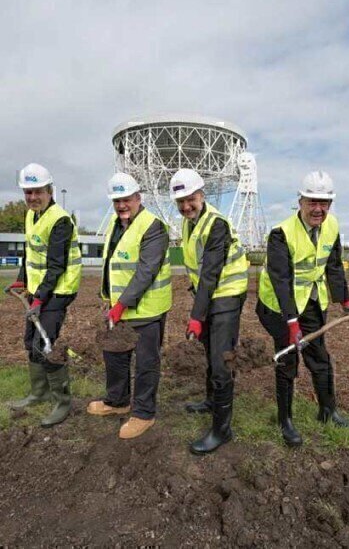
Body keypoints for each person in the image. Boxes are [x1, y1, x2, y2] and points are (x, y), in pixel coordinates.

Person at [256, 171, 349, 446]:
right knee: (288, 359)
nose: (318, 209)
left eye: (324, 203)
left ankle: (328, 411)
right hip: (279, 307)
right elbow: (281, 282)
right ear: (300, 201)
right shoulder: (281, 234)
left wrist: (345, 300)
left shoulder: (332, 226)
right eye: (312, 201)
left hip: (312, 301)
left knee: (320, 357)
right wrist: (292, 324)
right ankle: (285, 420)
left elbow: (334, 265)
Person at [87, 172, 172, 440]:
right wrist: (111, 301)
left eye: (126, 200)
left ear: (138, 197)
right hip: (117, 307)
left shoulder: (154, 227)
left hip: (147, 309)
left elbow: (146, 271)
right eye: (117, 201)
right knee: (114, 356)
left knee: (146, 363)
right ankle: (117, 401)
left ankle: (144, 414)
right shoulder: (116, 223)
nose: (122, 205)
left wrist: (122, 304)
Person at [170, 168, 248, 454]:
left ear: (202, 195)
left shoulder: (216, 225)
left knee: (221, 359)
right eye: (180, 202)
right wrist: (199, 310)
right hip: (210, 297)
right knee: (210, 351)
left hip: (226, 296)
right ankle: (211, 401)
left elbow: (211, 274)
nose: (186, 206)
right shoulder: (190, 224)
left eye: (191, 199)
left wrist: (195, 316)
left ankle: (222, 430)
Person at [6, 163, 82, 427]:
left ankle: (63, 402)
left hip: (58, 290)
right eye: (28, 192)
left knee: (45, 344)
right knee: (30, 342)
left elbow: (56, 266)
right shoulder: (31, 215)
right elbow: (30, 253)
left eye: (37, 192)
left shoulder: (60, 220)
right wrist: (20, 281)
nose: (32, 197)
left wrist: (39, 300)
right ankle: (39, 393)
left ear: (50, 191)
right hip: (38, 290)